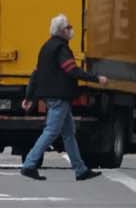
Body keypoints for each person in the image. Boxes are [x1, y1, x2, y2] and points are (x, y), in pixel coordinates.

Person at [20, 14, 107, 183]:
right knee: (51, 131)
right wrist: (96, 79)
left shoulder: (45, 48)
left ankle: (80, 169)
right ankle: (29, 165)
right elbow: (72, 70)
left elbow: (36, 74)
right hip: (59, 97)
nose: (71, 30)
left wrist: (29, 96)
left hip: (53, 97)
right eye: (68, 27)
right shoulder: (61, 49)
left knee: (68, 133)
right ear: (61, 31)